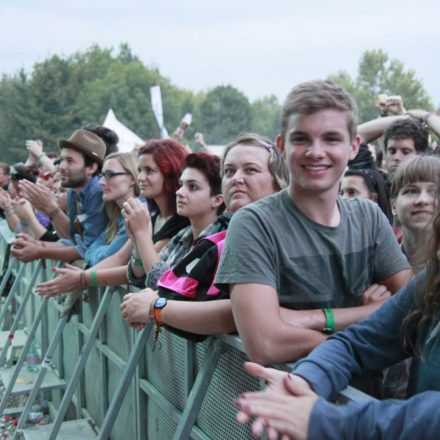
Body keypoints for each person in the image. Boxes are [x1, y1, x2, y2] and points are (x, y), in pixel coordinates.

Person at [214, 80, 411, 365]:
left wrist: (311, 319)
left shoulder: (369, 217)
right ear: (281, 145)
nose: (315, 152)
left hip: (365, 405)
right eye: (301, 139)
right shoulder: (254, 224)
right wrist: (368, 320)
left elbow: (411, 309)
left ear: (354, 146)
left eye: (331, 139)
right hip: (284, 403)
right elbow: (265, 343)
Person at [235, 192, 440, 440]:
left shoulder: (370, 217)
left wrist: (323, 418)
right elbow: (357, 343)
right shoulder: (431, 282)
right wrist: (304, 380)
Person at [119, 133, 289, 335]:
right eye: (229, 171)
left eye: (251, 170)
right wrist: (153, 302)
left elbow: (240, 313)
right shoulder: (205, 237)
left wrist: (155, 307)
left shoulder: (278, 234)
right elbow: (171, 288)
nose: (236, 179)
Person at [34, 139, 189, 296]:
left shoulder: (172, 219)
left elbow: (152, 274)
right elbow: (131, 266)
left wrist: (83, 277)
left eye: (149, 171)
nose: (141, 177)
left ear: (170, 173)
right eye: (140, 170)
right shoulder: (150, 214)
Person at [124, 152, 225, 290]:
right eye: (181, 184)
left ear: (217, 200)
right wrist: (138, 244)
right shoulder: (183, 235)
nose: (179, 192)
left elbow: (167, 286)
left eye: (192, 187)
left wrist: (142, 235)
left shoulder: (218, 243)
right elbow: (138, 276)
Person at [11, 129, 109, 263]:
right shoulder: (73, 191)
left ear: (91, 168)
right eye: (62, 159)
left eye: (70, 161)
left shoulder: (97, 192)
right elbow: (73, 239)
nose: (61, 166)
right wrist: (36, 244)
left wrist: (39, 250)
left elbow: (86, 249)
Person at [83, 152, 140, 266]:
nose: (101, 182)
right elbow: (91, 248)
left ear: (132, 178)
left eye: (110, 175)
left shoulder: (136, 212)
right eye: (102, 175)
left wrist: (95, 253)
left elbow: (105, 259)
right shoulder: (118, 212)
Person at [390, 155, 440, 267]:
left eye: (435, 192)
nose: (423, 200)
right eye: (411, 191)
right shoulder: (378, 268)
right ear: (393, 205)